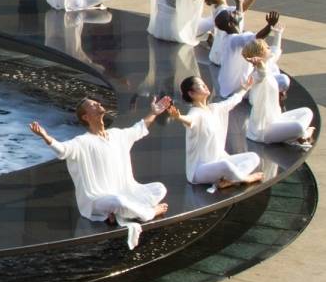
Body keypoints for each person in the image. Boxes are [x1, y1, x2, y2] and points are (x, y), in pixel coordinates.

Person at [30, 96, 171, 248]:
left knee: (159, 188)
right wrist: (46, 137)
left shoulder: (117, 134)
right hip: (98, 199)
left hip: (125, 191)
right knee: (117, 201)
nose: (98, 103)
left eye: (97, 102)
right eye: (92, 105)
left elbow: (140, 128)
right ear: (86, 116)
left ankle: (118, 215)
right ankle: (149, 213)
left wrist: (154, 112)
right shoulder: (81, 142)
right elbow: (63, 150)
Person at [166, 75, 262, 190]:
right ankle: (245, 178)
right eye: (200, 85)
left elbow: (232, 100)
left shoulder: (214, 109)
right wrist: (179, 117)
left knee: (253, 157)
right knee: (226, 165)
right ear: (191, 93)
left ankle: (229, 181)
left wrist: (245, 88)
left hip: (218, 160)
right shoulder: (195, 113)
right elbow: (190, 121)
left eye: (204, 84)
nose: (205, 86)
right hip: (199, 171)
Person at [243, 39, 315, 145]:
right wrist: (259, 65)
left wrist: (278, 33)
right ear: (260, 53)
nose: (269, 48)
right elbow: (262, 74)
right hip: (263, 130)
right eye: (267, 47)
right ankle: (303, 135)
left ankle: (297, 135)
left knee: (307, 111)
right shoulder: (256, 75)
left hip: (276, 118)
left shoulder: (268, 68)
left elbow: (274, 54)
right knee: (298, 127)